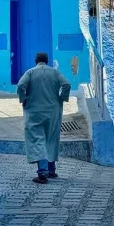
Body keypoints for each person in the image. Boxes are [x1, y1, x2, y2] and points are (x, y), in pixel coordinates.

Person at [17, 52, 71, 184]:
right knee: (51, 138)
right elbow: (67, 84)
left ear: (36, 61)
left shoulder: (30, 72)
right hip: (53, 111)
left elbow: (20, 86)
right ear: (47, 61)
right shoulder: (55, 73)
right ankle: (51, 169)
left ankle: (42, 171)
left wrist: (23, 99)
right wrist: (62, 98)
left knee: (37, 139)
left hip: (34, 111)